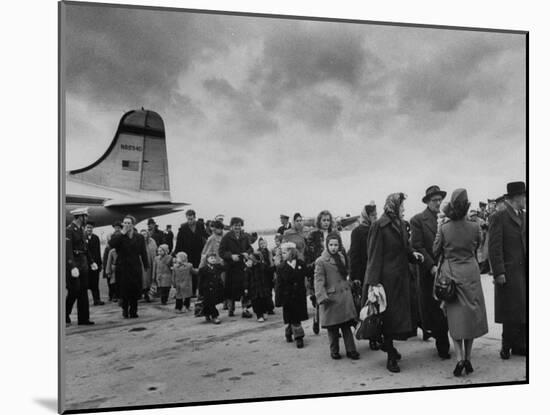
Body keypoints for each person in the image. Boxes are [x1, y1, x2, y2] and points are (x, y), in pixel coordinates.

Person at [364, 193, 424, 373]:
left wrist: (414, 256)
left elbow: (406, 249)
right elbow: (373, 256)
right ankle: (391, 356)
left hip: (402, 279)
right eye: (402, 206)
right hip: (386, 282)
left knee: (399, 319)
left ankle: (389, 347)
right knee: (388, 318)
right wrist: (373, 283)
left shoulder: (400, 224)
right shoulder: (379, 226)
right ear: (393, 206)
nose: (404, 209)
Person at [434, 188, 488, 376]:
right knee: (471, 317)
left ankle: (459, 359)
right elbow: (479, 245)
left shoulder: (444, 228)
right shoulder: (475, 227)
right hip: (471, 274)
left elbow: (435, 250)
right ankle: (469, 359)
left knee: (456, 319)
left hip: (452, 276)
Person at [410, 185, 451, 359]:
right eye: (434, 200)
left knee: (448, 306)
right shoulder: (418, 220)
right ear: (427, 201)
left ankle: (444, 338)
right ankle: (442, 344)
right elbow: (417, 245)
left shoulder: (447, 218)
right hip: (430, 273)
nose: (438, 202)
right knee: (434, 309)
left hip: (448, 269)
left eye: (439, 199)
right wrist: (431, 266)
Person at [488, 181, 527, 359]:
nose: (526, 199)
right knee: (510, 310)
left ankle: (520, 345)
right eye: (523, 195)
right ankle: (506, 344)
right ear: (515, 198)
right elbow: (494, 248)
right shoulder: (499, 217)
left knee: (523, 309)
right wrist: (499, 272)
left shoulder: (525, 216)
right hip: (509, 271)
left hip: (524, 271)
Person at [314, 233, 359, 360]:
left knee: (346, 326)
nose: (333, 247)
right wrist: (321, 296)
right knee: (333, 328)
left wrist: (350, 284)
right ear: (326, 245)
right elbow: (318, 280)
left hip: (343, 296)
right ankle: (334, 350)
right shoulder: (321, 261)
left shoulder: (341, 257)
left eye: (336, 245)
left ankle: (351, 350)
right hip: (332, 298)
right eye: (331, 245)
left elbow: (345, 274)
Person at [305, 210, 340, 335]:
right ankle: (316, 318)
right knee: (319, 296)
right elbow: (308, 253)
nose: (326, 222)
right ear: (319, 221)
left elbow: (340, 250)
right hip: (318, 267)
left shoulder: (334, 233)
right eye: (323, 220)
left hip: (332, 268)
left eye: (328, 220)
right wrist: (311, 266)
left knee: (333, 296)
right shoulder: (312, 235)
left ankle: (335, 324)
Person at [109, 215, 150, 318]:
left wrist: (146, 265)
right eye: (125, 223)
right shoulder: (118, 235)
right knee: (124, 289)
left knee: (134, 289)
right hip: (122, 266)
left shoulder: (139, 237)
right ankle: (125, 309)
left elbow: (143, 252)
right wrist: (122, 233)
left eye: (128, 223)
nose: (126, 225)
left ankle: (133, 310)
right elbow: (112, 244)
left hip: (135, 265)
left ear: (133, 224)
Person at [66, 207, 96, 325]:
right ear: (79, 217)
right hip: (74, 265)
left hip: (83, 264)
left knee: (83, 291)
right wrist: (72, 266)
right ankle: (64, 313)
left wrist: (91, 261)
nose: (86, 218)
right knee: (74, 291)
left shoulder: (81, 230)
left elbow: (85, 248)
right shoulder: (69, 230)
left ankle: (83, 319)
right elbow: (67, 250)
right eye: (85, 216)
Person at [275, 242, 309, 348]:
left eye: (285, 252)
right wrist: (278, 299)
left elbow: (308, 273)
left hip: (299, 295)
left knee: (295, 317)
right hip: (287, 297)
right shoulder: (281, 267)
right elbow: (278, 285)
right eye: (282, 253)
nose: (283, 255)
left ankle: (289, 331)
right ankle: (299, 336)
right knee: (294, 318)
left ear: (291, 252)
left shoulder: (301, 264)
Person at [218, 217, 253, 317]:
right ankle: (231, 308)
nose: (237, 227)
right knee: (230, 289)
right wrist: (230, 256)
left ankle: (245, 309)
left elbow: (250, 248)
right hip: (230, 267)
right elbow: (221, 252)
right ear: (231, 226)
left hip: (242, 266)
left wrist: (247, 253)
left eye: (239, 225)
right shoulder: (226, 237)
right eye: (235, 225)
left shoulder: (245, 236)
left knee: (244, 288)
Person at [174, 209, 208, 296]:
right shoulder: (183, 227)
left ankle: (199, 291)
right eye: (188, 219)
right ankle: (192, 292)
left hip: (199, 252)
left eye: (191, 219)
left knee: (198, 270)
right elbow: (179, 241)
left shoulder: (200, 225)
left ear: (194, 217)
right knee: (190, 271)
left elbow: (205, 236)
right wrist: (176, 253)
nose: (190, 221)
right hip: (188, 252)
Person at [349, 202, 377, 284]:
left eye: (376, 214)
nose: (375, 217)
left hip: (376, 270)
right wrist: (355, 276)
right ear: (366, 216)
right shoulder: (357, 231)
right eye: (372, 215)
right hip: (363, 271)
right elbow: (354, 255)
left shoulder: (377, 230)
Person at [244, 253, 272, 322]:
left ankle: (264, 311)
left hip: (263, 287)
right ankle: (259, 315)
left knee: (264, 301)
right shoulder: (248, 269)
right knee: (256, 302)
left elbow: (269, 274)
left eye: (251, 260)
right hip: (253, 288)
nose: (249, 261)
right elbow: (246, 279)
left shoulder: (263, 266)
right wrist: (246, 288)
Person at [198, 253, 225, 324]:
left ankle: (207, 314)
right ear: (207, 259)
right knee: (210, 303)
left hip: (216, 288)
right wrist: (200, 291)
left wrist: (223, 260)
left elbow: (225, 267)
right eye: (211, 258)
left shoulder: (217, 266)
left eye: (214, 258)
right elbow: (200, 281)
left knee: (209, 303)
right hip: (207, 288)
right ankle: (214, 316)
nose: (213, 260)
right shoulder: (203, 269)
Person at [84, 221, 104, 306]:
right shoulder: (82, 237)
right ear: (85, 228)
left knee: (95, 283)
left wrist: (99, 264)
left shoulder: (96, 238)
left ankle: (97, 300)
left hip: (94, 265)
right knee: (84, 284)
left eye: (91, 228)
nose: (89, 229)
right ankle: (84, 302)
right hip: (85, 265)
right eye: (88, 227)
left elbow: (98, 252)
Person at [103, 221, 122, 302]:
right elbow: (105, 258)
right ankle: (111, 295)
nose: (117, 228)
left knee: (118, 281)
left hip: (119, 264)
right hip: (111, 264)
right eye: (115, 227)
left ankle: (117, 295)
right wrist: (105, 268)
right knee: (110, 281)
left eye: (118, 227)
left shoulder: (122, 236)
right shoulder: (110, 239)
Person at [257, 237, 275, 314]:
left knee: (269, 291)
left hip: (269, 273)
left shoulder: (269, 252)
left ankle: (270, 308)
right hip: (261, 274)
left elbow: (272, 263)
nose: (263, 245)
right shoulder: (258, 253)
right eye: (261, 244)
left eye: (264, 243)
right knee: (263, 292)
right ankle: (264, 307)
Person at [140, 229, 158, 302]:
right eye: (142, 234)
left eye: (145, 234)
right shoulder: (139, 242)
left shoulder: (152, 241)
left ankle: (150, 294)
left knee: (151, 278)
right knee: (144, 279)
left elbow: (155, 251)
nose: (144, 235)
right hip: (142, 263)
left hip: (151, 262)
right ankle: (144, 293)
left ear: (147, 234)